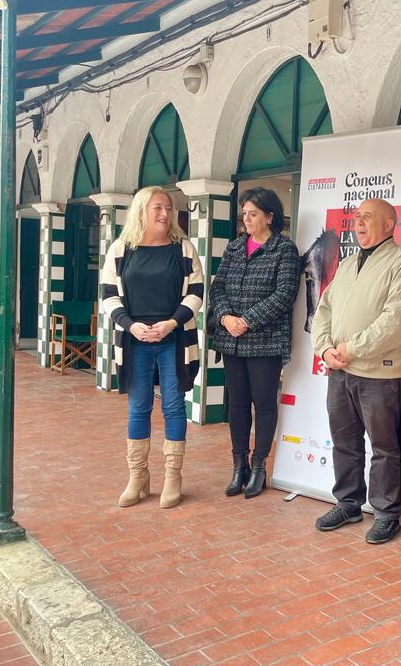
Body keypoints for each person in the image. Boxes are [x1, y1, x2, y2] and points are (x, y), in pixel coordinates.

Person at [310, 198, 401, 544]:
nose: (358, 223)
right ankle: (348, 503)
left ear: (390, 225)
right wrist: (325, 348)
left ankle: (387, 513)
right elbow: (323, 309)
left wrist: (351, 348)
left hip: (379, 374)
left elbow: (395, 322)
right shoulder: (346, 265)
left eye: (368, 218)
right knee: (344, 441)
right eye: (357, 217)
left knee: (383, 447)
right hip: (339, 370)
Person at [101, 186, 204, 509]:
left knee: (173, 406)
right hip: (135, 340)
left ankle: (173, 476)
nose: (164, 214)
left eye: (168, 208)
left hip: (174, 338)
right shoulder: (121, 249)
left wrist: (172, 322)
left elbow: (197, 292)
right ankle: (138, 476)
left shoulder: (183, 248)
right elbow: (108, 295)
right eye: (158, 207)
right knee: (138, 407)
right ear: (141, 211)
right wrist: (130, 324)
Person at [208, 187, 300, 499]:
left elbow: (285, 295)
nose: (247, 220)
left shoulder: (284, 250)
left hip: (265, 342)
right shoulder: (233, 248)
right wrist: (225, 318)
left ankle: (259, 466)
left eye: (253, 214)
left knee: (263, 404)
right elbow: (217, 288)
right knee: (236, 404)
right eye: (244, 214)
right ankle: (239, 466)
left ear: (270, 216)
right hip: (230, 340)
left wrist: (246, 320)